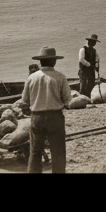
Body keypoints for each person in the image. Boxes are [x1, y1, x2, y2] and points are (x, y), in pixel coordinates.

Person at [21, 45, 72, 174]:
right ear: (54, 61)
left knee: (35, 151)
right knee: (58, 151)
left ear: (40, 61)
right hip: (55, 116)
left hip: (37, 116)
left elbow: (25, 100)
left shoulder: (31, 77)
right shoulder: (60, 77)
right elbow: (67, 99)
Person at [78, 33, 100, 98]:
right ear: (89, 41)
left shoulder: (94, 51)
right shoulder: (83, 49)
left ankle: (89, 98)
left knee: (91, 84)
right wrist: (89, 65)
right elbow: (81, 60)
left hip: (91, 71)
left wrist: (96, 65)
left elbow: (97, 58)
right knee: (83, 85)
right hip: (84, 71)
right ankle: (82, 98)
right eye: (92, 41)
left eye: (94, 42)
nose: (93, 43)